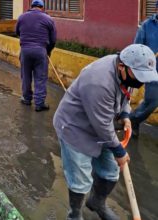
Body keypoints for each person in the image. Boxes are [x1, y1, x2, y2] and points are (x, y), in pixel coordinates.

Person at [53, 44, 158, 220]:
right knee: (80, 181)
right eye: (138, 76)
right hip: (75, 128)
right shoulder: (98, 81)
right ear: (121, 66)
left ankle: (97, 203)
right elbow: (101, 124)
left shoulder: (127, 74)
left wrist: (125, 115)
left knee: (110, 172)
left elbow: (125, 95)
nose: (141, 82)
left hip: (102, 128)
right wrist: (118, 150)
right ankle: (75, 215)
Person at [15, 0, 56, 112]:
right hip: (40, 51)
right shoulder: (48, 19)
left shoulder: (22, 17)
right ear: (42, 7)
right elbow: (53, 40)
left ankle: (27, 99)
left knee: (26, 76)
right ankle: (39, 104)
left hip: (25, 51)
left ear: (31, 6)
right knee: (40, 77)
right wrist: (48, 51)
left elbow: (17, 32)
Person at [129, 1, 158, 137]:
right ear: (156, 9)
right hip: (152, 72)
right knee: (152, 102)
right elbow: (137, 49)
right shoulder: (147, 26)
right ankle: (134, 119)